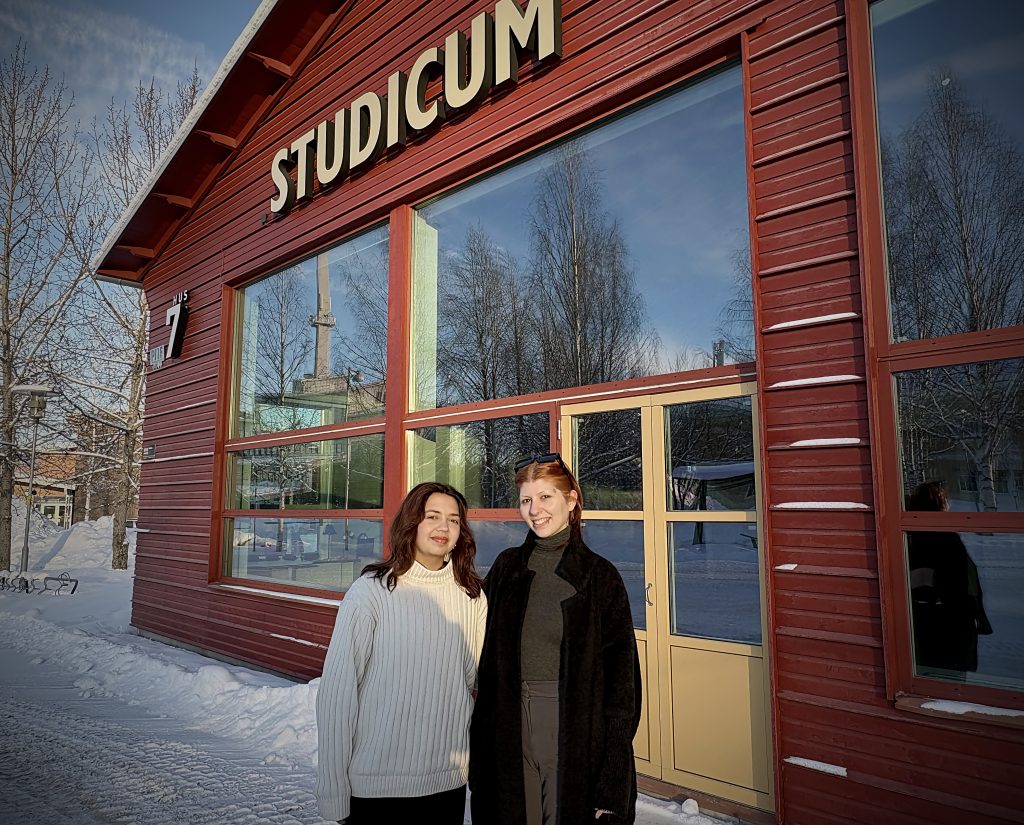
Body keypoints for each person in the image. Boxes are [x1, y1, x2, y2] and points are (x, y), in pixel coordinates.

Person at [470, 452, 642, 825]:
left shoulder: (600, 577)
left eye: (545, 497)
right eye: (526, 500)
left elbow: (623, 691)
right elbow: (480, 654)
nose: (535, 510)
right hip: (510, 724)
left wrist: (613, 781)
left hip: (573, 727)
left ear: (571, 499)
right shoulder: (506, 568)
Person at [315, 482, 487, 824]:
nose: (444, 527)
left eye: (454, 520)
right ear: (411, 523)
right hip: (376, 788)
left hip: (445, 784)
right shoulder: (372, 592)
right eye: (432, 516)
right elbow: (337, 696)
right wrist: (333, 792)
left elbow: (468, 682)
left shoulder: (472, 597)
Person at [906, 481, 993, 673]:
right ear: (937, 503)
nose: (949, 504)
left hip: (929, 631)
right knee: (947, 690)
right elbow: (962, 585)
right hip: (946, 631)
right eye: (945, 499)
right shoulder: (941, 539)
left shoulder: (913, 537)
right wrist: (976, 615)